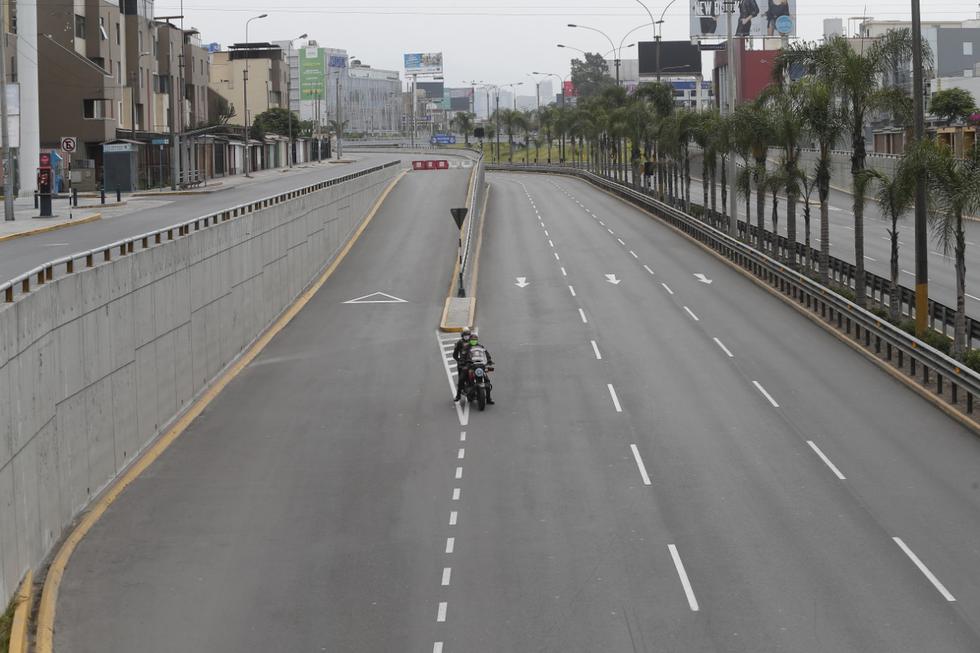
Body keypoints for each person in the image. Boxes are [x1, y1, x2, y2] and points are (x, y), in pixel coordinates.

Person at [465, 332, 495, 405]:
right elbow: (464, 356)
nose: (473, 340)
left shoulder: (481, 347)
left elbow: (486, 354)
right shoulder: (467, 347)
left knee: (487, 382)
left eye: (475, 339)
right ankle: (462, 392)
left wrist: (489, 361)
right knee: (464, 377)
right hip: (471, 366)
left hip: (480, 366)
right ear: (469, 340)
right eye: (472, 339)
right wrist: (465, 363)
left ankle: (488, 398)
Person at [453, 328, 472, 402]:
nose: (467, 336)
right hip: (463, 364)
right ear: (462, 335)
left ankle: (488, 397)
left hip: (472, 363)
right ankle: (458, 395)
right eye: (465, 335)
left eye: (468, 335)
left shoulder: (472, 341)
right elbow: (455, 355)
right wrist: (459, 361)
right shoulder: (460, 343)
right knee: (461, 379)